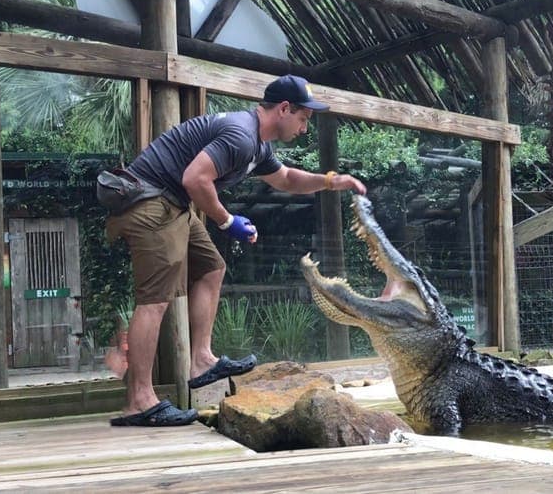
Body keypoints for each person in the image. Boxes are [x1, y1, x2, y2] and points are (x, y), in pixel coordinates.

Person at [105, 74, 366, 427]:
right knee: (155, 299)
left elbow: (286, 179)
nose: (304, 128)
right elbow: (195, 179)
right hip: (151, 200)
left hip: (172, 203)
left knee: (212, 267)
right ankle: (139, 401)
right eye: (303, 118)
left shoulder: (258, 146)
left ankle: (201, 360)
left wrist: (330, 182)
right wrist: (228, 221)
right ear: (284, 109)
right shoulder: (241, 135)